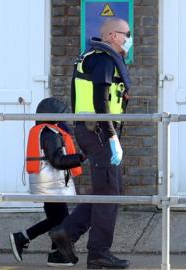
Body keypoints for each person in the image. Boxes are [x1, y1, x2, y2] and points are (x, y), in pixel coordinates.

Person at [48, 18, 132, 269]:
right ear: (113, 35)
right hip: (97, 131)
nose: (129, 38)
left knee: (105, 190)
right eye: (127, 33)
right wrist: (111, 135)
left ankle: (66, 234)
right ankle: (98, 252)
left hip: (93, 131)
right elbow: (100, 100)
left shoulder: (96, 57)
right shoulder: (103, 58)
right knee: (109, 194)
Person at [9, 97, 84, 267]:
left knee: (56, 219)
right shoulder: (50, 135)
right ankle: (29, 241)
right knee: (60, 219)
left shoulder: (47, 131)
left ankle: (52, 252)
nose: (63, 120)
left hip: (51, 184)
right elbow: (57, 161)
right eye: (61, 116)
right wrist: (80, 158)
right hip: (51, 185)